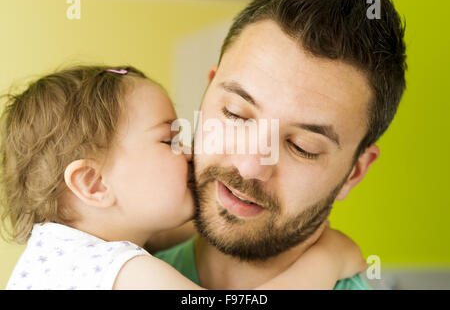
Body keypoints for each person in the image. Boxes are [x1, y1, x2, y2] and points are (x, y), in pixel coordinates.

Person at [1, 65, 365, 290]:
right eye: (168, 139)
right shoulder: (120, 269)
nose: (189, 151)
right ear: (93, 184)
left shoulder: (56, 254)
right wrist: (326, 261)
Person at [155, 0, 407, 290]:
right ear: (209, 89)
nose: (249, 167)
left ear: (354, 172)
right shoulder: (111, 267)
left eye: (301, 146)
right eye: (235, 114)